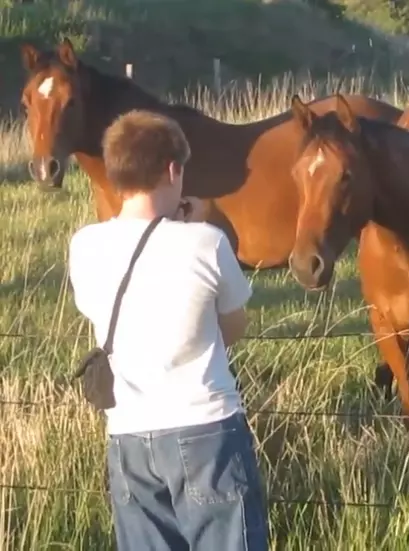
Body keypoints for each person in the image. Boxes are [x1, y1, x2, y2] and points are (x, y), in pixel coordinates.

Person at [66, 110, 269, 550]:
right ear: (174, 170)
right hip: (205, 429)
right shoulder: (206, 242)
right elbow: (233, 327)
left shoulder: (84, 246)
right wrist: (195, 224)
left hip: (128, 433)